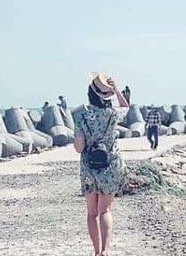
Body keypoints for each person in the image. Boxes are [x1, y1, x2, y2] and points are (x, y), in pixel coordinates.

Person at [72, 72, 128, 256]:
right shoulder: (113, 114)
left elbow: (79, 147)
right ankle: (105, 251)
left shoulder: (80, 114)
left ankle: (96, 252)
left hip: (89, 167)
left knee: (92, 213)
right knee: (105, 210)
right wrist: (117, 90)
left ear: (90, 92)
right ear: (107, 95)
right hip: (111, 165)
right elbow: (126, 107)